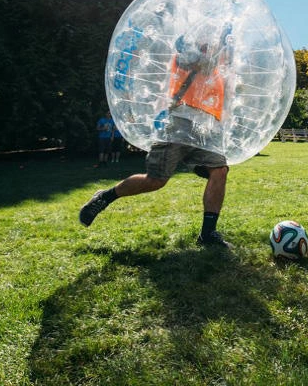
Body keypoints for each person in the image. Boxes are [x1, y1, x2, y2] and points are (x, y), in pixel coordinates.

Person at [79, 28, 232, 248]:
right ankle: (105, 197)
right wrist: (217, 48)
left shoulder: (218, 58)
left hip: (206, 127)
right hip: (178, 122)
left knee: (220, 170)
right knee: (155, 181)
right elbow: (201, 64)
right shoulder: (186, 50)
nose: (212, 38)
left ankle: (207, 234)